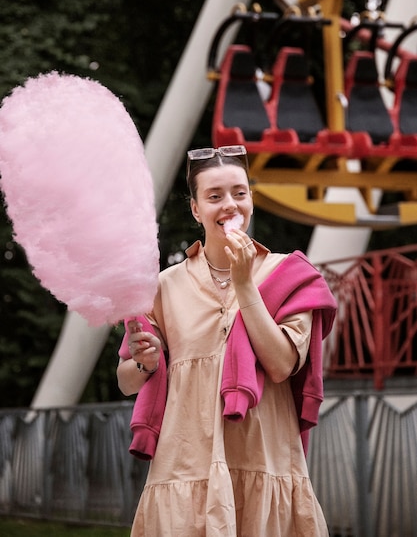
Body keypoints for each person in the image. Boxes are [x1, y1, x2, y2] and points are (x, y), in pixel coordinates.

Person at [117, 145, 337, 537]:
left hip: (263, 461)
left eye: (239, 193)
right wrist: (144, 362)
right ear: (196, 209)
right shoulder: (163, 286)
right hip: (185, 467)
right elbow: (127, 381)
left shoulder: (290, 275)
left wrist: (244, 285)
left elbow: (283, 363)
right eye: (214, 196)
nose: (230, 205)